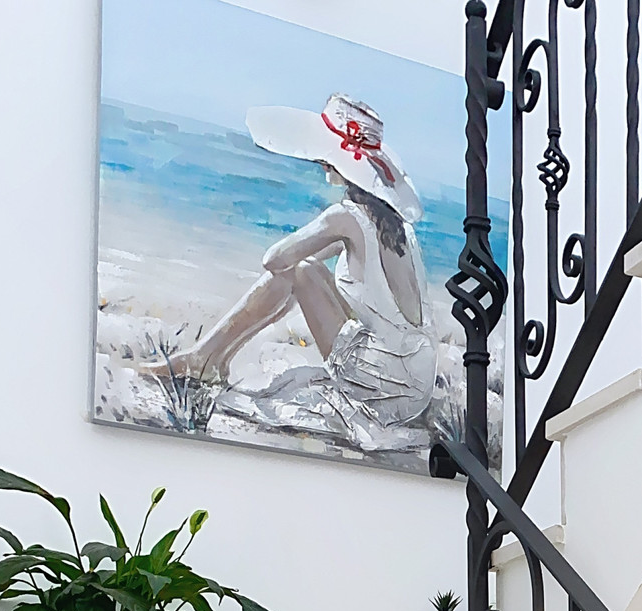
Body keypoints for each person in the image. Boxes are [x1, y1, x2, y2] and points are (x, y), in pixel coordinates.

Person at [144, 94, 438, 449]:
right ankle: (206, 359)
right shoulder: (398, 225)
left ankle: (205, 359)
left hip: (382, 384)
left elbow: (274, 259)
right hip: (416, 383)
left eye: (326, 157)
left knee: (298, 271)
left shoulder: (344, 217)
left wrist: (306, 251)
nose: (322, 163)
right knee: (303, 268)